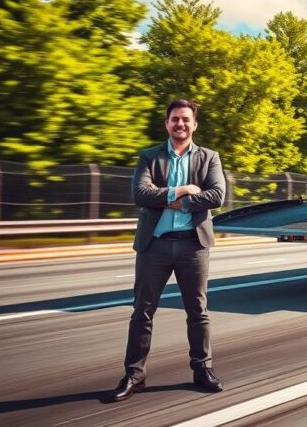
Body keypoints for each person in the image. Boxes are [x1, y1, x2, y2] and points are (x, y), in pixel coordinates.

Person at [111, 99, 226, 402]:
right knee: (142, 312)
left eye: (186, 119)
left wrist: (175, 202)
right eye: (175, 119)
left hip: (193, 245)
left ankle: (203, 369)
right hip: (155, 246)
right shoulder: (149, 157)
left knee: (197, 312)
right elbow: (140, 194)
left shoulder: (209, 157)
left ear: (194, 124)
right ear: (167, 123)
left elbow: (217, 195)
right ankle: (134, 375)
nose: (180, 124)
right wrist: (184, 190)